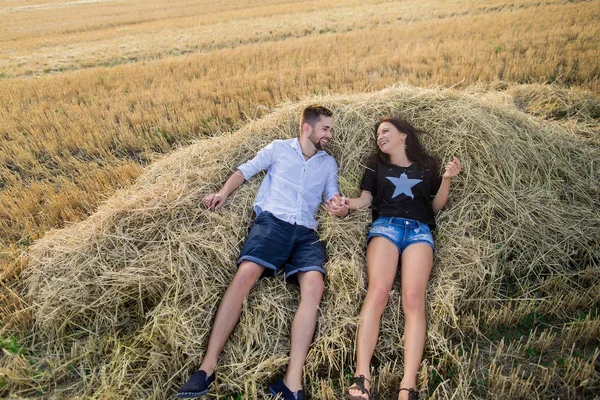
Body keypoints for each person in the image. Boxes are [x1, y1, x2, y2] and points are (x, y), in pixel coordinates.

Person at [177, 105, 339, 400]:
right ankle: (207, 368)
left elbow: (332, 197)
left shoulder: (328, 164)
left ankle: (292, 381)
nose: (330, 134)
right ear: (307, 128)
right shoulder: (279, 149)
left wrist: (339, 206)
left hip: (306, 232)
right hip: (272, 223)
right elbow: (245, 170)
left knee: (315, 286)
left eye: (331, 129)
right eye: (326, 128)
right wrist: (222, 193)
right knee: (246, 274)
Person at [326, 117, 461, 400]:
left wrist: (446, 179)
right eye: (377, 134)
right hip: (385, 228)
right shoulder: (375, 166)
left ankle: (408, 385)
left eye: (386, 131)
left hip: (420, 232)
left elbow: (435, 207)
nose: (380, 136)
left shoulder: (427, 167)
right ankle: (362, 378)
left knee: (413, 298)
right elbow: (365, 200)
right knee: (378, 292)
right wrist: (345, 205)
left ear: (404, 136)